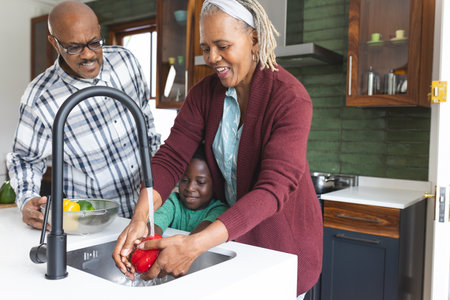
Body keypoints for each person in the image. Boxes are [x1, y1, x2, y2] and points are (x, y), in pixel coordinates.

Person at [113, 0, 322, 298]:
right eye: (205, 47)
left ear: (254, 40)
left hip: (282, 247)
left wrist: (195, 244)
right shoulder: (204, 93)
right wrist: (140, 218)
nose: (212, 57)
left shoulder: (289, 98)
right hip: (229, 240)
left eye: (223, 45)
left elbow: (273, 188)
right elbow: (172, 157)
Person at [6, 1, 160, 230]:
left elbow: (146, 124)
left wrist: (160, 180)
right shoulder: (39, 99)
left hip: (152, 211)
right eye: (74, 47)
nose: (88, 54)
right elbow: (25, 159)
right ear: (54, 44)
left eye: (94, 43)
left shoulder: (125, 62)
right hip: (95, 222)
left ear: (99, 30)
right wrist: (27, 199)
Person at [153, 145, 228, 236]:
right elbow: (154, 227)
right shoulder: (173, 202)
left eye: (200, 182)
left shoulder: (220, 210)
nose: (190, 188)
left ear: (215, 185)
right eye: (184, 180)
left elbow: (199, 237)